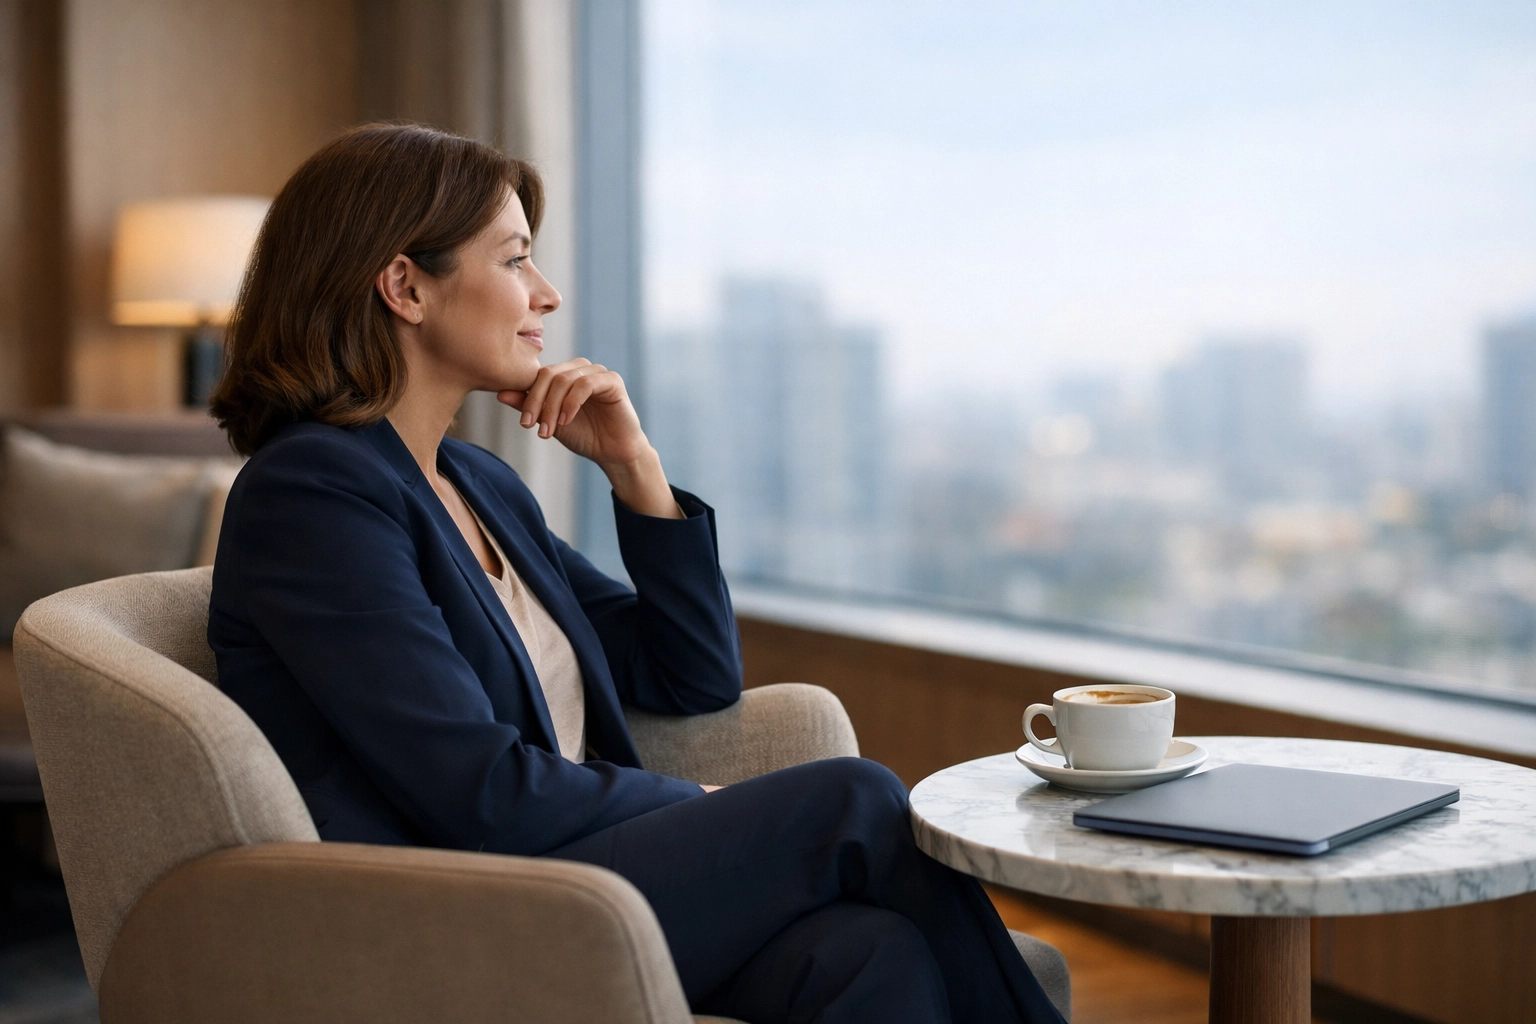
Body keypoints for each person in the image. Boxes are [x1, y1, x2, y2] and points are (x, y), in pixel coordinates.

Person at [208, 123, 1064, 1024]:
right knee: (855, 795)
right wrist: (699, 800)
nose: (548, 294)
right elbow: (481, 792)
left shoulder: (475, 482)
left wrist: (635, 470)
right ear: (405, 286)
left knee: (868, 956)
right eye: (515, 261)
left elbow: (691, 677)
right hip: (467, 910)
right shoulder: (314, 493)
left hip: (588, 879)